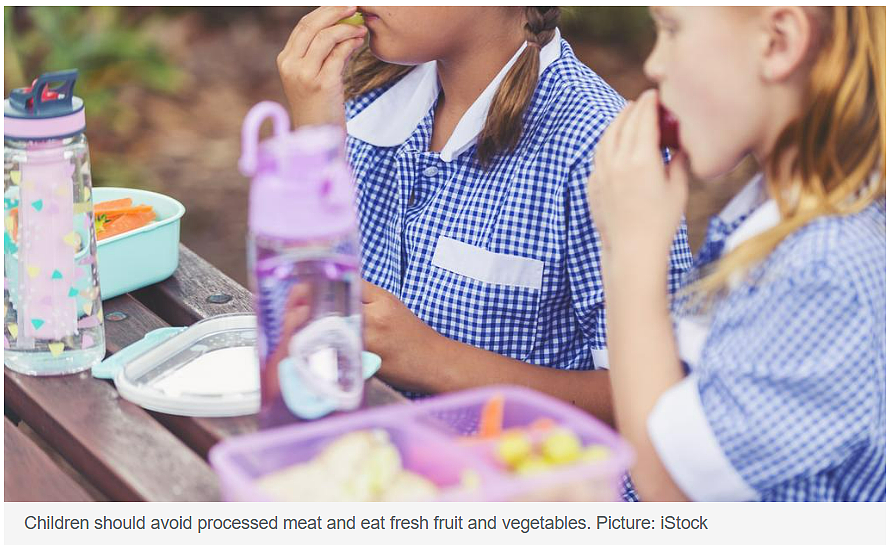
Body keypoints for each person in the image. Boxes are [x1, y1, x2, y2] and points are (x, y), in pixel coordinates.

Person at [277, 6, 693, 419]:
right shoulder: (358, 98)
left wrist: (433, 359)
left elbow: (659, 400)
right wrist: (316, 141)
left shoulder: (598, 147)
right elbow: (304, 306)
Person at [588, 6, 885, 500]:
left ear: (778, 42)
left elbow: (670, 493)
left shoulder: (825, 269)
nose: (653, 66)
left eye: (671, 30)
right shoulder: (770, 221)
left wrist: (634, 251)